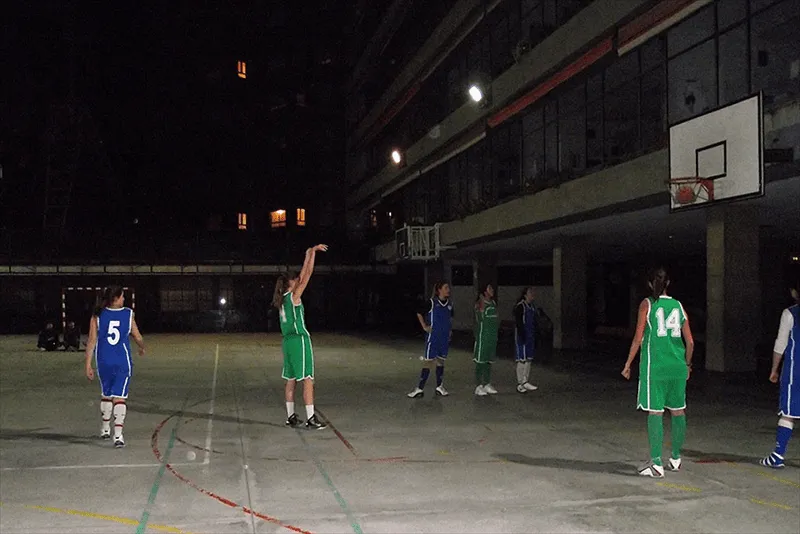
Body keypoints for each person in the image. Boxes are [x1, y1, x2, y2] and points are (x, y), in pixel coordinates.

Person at [622, 268, 694, 478]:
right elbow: (689, 341)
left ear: (650, 284)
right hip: (678, 367)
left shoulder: (648, 304)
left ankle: (655, 464)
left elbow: (638, 338)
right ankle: (676, 458)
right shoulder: (678, 305)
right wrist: (687, 364)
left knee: (655, 413)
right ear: (668, 283)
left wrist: (628, 364)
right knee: (678, 410)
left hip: (656, 367)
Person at [273, 244, 328, 430]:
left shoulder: (281, 300)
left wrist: (309, 252)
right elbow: (308, 273)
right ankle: (311, 418)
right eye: (295, 279)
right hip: (299, 340)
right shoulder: (294, 297)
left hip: (287, 342)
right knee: (307, 379)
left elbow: (304, 274)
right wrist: (310, 253)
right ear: (291, 283)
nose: (299, 280)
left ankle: (291, 417)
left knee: (290, 380)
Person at [84, 286, 146, 448]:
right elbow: (137, 336)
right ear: (117, 298)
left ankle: (105, 428)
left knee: (106, 393)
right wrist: (141, 346)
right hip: (121, 361)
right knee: (119, 397)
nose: (124, 299)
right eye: (122, 296)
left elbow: (91, 341)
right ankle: (118, 435)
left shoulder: (97, 315)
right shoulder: (128, 314)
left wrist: (88, 364)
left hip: (103, 360)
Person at [760, 282, 800, 469]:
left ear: (794, 292)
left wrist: (774, 369)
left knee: (788, 412)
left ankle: (778, 455)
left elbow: (780, 344)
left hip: (795, 370)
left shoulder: (790, 313)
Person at [408, 282, 453, 398]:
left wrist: (449, 330)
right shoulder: (431, 303)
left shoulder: (450, 304)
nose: (448, 290)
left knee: (441, 361)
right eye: (446, 288)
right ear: (439, 290)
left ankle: (439, 386)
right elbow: (419, 313)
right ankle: (419, 388)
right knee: (428, 362)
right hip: (433, 338)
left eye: (448, 288)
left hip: (444, 338)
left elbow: (450, 318)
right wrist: (424, 326)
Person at [474, 283, 499, 396]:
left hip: (492, 337)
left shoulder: (493, 303)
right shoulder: (479, 304)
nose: (492, 290)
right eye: (489, 288)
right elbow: (480, 319)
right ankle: (478, 385)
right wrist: (482, 305)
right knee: (481, 362)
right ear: (484, 292)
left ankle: (487, 383)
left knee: (489, 361)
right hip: (482, 337)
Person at [514, 287, 539, 393]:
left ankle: (526, 380)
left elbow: (534, 322)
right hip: (522, 336)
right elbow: (518, 322)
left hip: (530, 336)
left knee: (529, 359)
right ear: (525, 294)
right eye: (530, 292)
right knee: (522, 360)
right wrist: (522, 335)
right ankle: (520, 383)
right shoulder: (520, 306)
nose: (532, 294)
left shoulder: (532, 307)